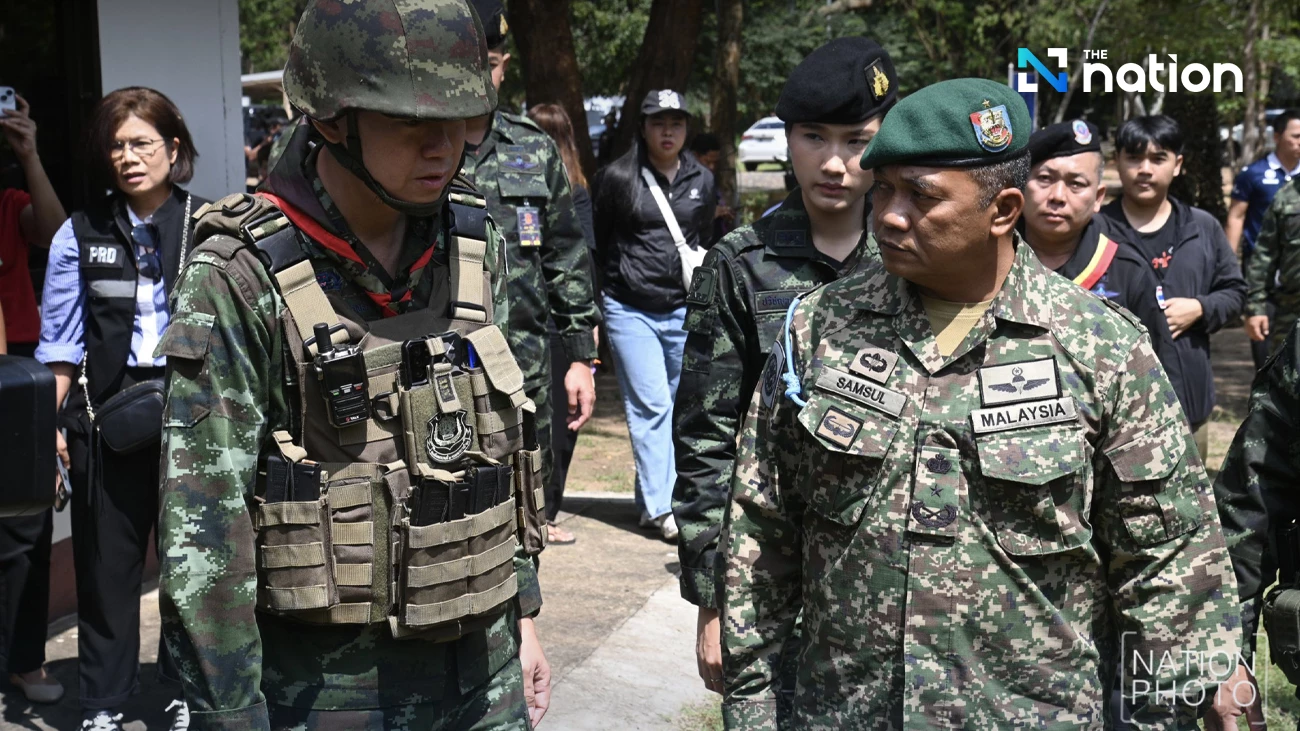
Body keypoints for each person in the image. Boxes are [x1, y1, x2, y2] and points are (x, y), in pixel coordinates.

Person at [720, 78, 1240, 729]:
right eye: (883, 189)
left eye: (921, 196)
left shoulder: (1101, 349)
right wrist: (752, 702)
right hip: (847, 712)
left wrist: (1179, 703)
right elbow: (760, 524)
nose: (888, 215)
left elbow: (1169, 557)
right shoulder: (818, 327)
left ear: (1002, 210)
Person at [157, 1, 551, 728]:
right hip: (326, 694)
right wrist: (229, 715)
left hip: (483, 672)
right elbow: (205, 534)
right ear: (334, 120)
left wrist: (523, 613)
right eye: (410, 122)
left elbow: (498, 449)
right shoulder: (238, 277)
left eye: (461, 120)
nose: (443, 148)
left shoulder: (473, 242)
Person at [671, 36, 895, 704]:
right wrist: (712, 599)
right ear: (787, 139)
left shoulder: (914, 259)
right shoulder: (740, 266)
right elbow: (705, 437)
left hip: (892, 574)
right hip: (771, 574)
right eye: (813, 137)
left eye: (858, 141)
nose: (835, 163)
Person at [35, 86, 201, 731]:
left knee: (193, 565)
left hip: (197, 418)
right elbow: (60, 342)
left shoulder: (210, 225)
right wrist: (47, 426)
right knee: (106, 569)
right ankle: (103, 703)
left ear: (173, 149)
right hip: (105, 419)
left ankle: (186, 691)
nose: (128, 157)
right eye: (116, 146)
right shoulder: (80, 233)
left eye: (142, 143)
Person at [460, 0, 600, 547]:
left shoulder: (532, 148)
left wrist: (581, 359)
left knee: (526, 512)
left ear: (504, 65)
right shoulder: (419, 149)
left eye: (491, 64)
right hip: (440, 364)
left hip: (524, 367)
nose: (483, 76)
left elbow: (566, 256)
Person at [592, 88, 716, 541]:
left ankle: (653, 500)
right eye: (658, 122)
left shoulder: (702, 179)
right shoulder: (617, 177)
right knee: (652, 406)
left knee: (682, 407)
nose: (668, 131)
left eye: (676, 123)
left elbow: (703, 240)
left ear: (687, 129)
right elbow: (599, 244)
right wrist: (596, 310)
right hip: (629, 309)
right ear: (642, 128)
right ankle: (665, 509)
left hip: (683, 308)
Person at [1099, 115, 1245, 460]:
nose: (1145, 169)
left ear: (1177, 165)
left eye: (1158, 158)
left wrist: (1201, 308)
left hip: (1188, 401)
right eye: (1134, 158)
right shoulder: (1096, 231)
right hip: (1112, 407)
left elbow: (1235, 292)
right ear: (1116, 161)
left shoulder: (1202, 227)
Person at [1021, 120, 1188, 415]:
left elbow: (1162, 382)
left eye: (1076, 184)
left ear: (1098, 197)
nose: (1057, 196)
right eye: (1044, 179)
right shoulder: (985, 263)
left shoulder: (1129, 272)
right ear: (1021, 185)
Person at [0, 92, 67, 707]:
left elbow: (53, 233)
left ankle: (25, 660)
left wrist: (30, 153)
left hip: (14, 373)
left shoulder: (7, 202)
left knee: (25, 520)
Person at [526, 102, 597, 546]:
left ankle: (544, 513)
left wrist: (587, 332)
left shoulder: (574, 190)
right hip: (534, 321)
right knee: (552, 424)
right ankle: (539, 513)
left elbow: (581, 259)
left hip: (557, 323)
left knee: (558, 422)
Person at [1231, 109, 1300, 366]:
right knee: (1273, 370)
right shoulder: (1258, 177)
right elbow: (1238, 219)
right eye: (1296, 136)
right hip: (1276, 291)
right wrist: (1229, 267)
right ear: (1277, 137)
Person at [688, 133, 735, 244]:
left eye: (715, 163)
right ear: (694, 156)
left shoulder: (710, 181)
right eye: (707, 161)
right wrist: (710, 214)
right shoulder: (683, 184)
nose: (712, 167)